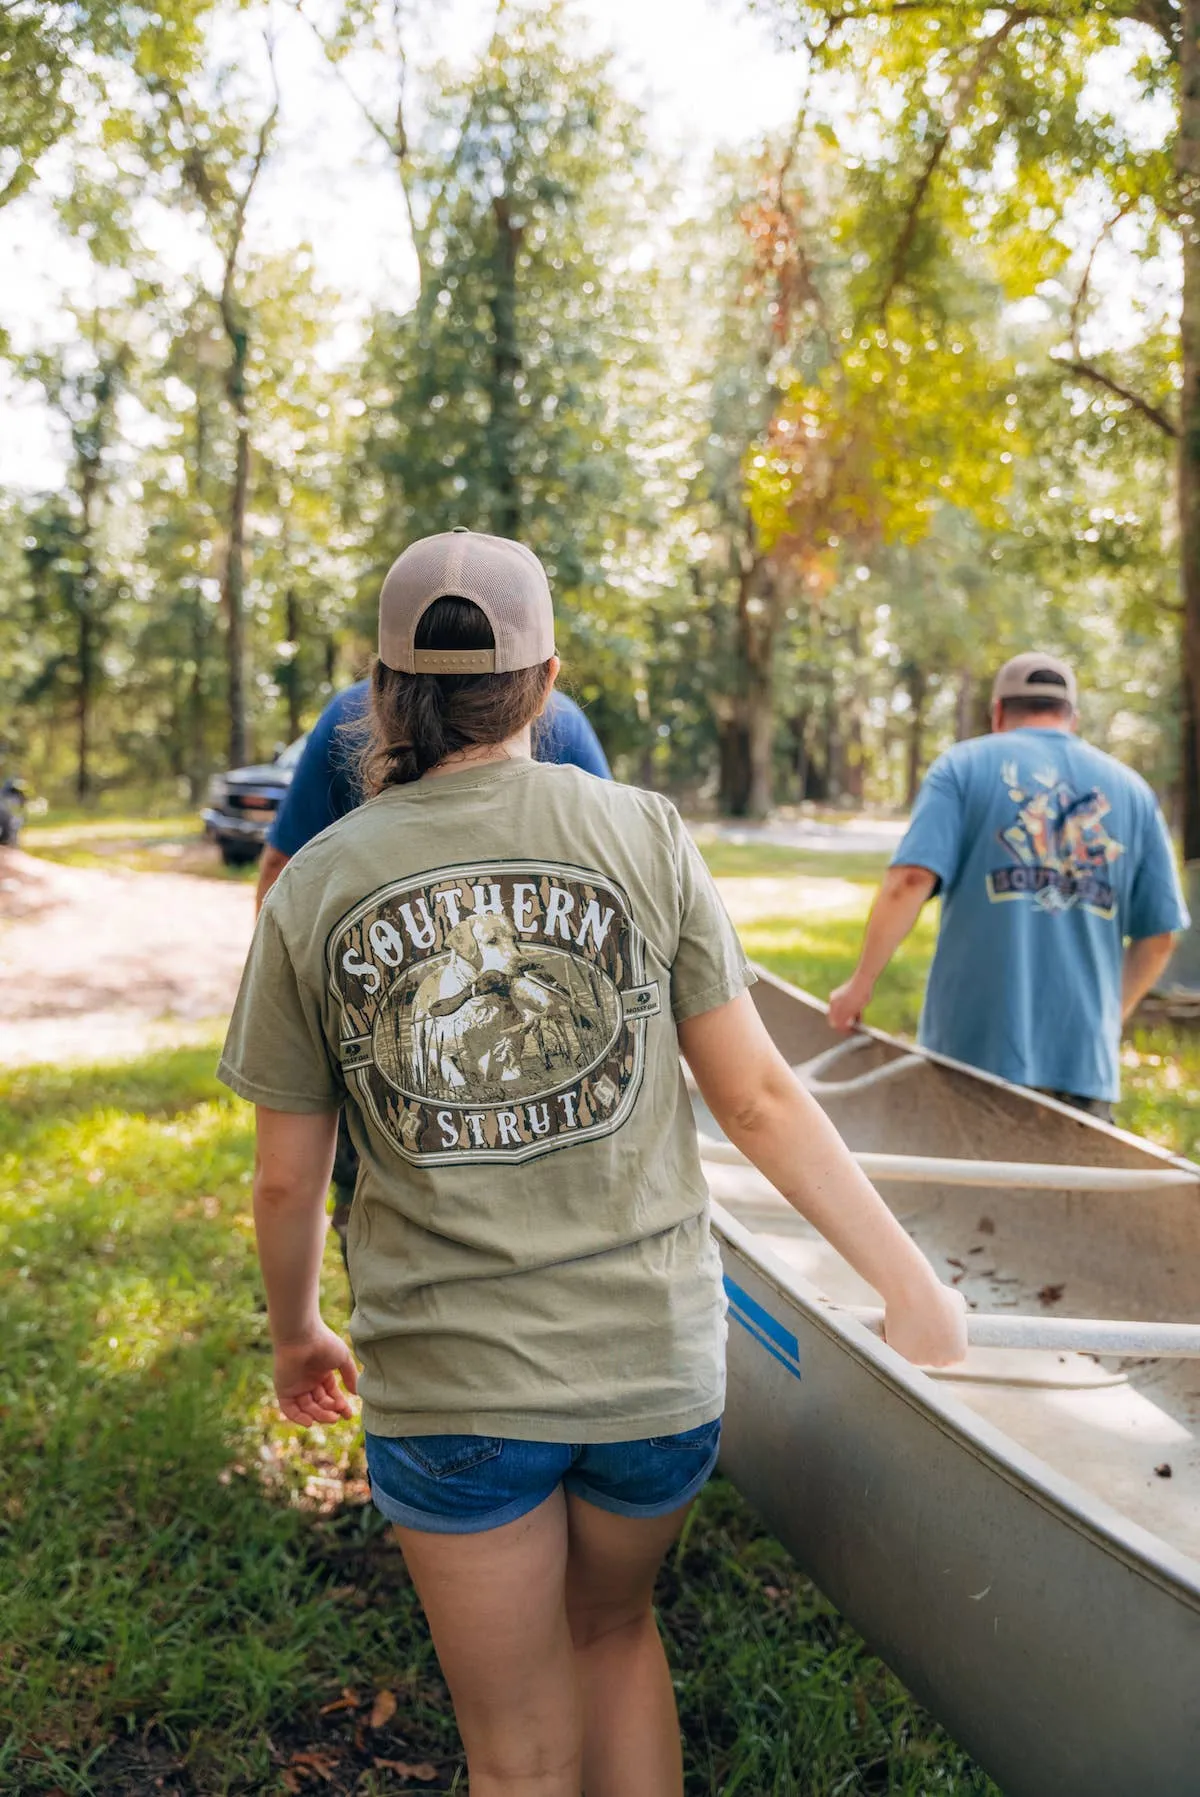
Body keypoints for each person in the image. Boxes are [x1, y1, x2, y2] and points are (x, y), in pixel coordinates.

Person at [218, 527, 966, 1797]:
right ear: (546, 679)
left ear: (384, 688)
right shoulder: (646, 833)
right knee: (617, 1633)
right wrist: (913, 1283)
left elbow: (292, 1180)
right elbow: (763, 1098)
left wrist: (296, 1334)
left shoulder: (315, 886)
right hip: (655, 1377)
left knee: (517, 1756)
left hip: (455, 1392)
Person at [255, 660, 611, 1252]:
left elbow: (279, 872)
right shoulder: (564, 722)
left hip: (385, 1071)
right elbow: (607, 870)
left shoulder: (347, 717)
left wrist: (287, 1015)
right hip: (557, 1134)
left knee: (374, 1177)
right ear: (545, 676)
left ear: (383, 677)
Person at [828, 652, 1189, 1121]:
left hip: (969, 1055)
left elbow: (910, 880)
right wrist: (1104, 1020)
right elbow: (1160, 937)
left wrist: (860, 984)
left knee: (965, 1193)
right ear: (1072, 719)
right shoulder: (1133, 792)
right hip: (1081, 1065)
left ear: (998, 712)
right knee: (1070, 1193)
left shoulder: (961, 767)